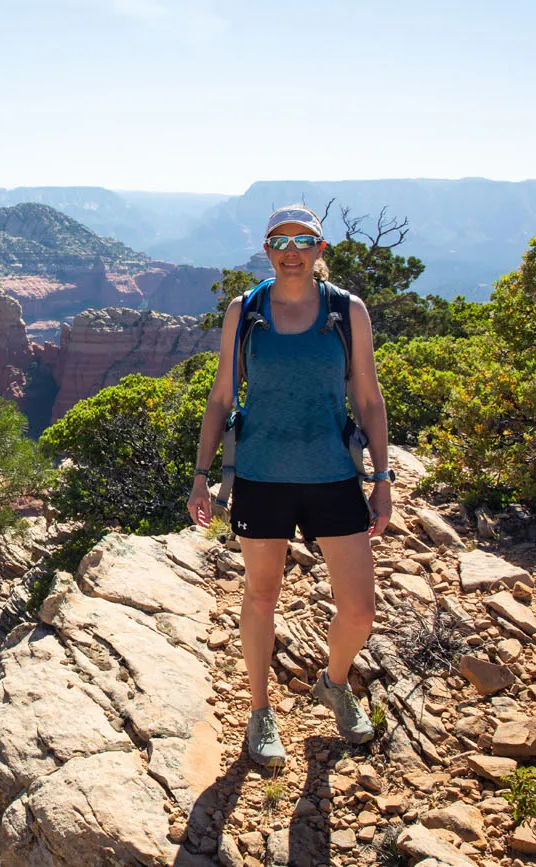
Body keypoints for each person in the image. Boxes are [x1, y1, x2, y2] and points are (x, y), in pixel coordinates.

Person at [186, 204, 392, 768]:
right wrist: (201, 477)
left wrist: (382, 479)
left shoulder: (347, 311)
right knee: (260, 594)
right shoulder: (245, 310)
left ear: (321, 250)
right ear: (268, 249)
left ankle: (334, 680)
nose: (293, 250)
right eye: (281, 241)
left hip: (333, 474)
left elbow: (369, 399)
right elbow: (222, 397)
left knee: (359, 610)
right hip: (260, 475)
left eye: (305, 240)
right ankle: (259, 711)